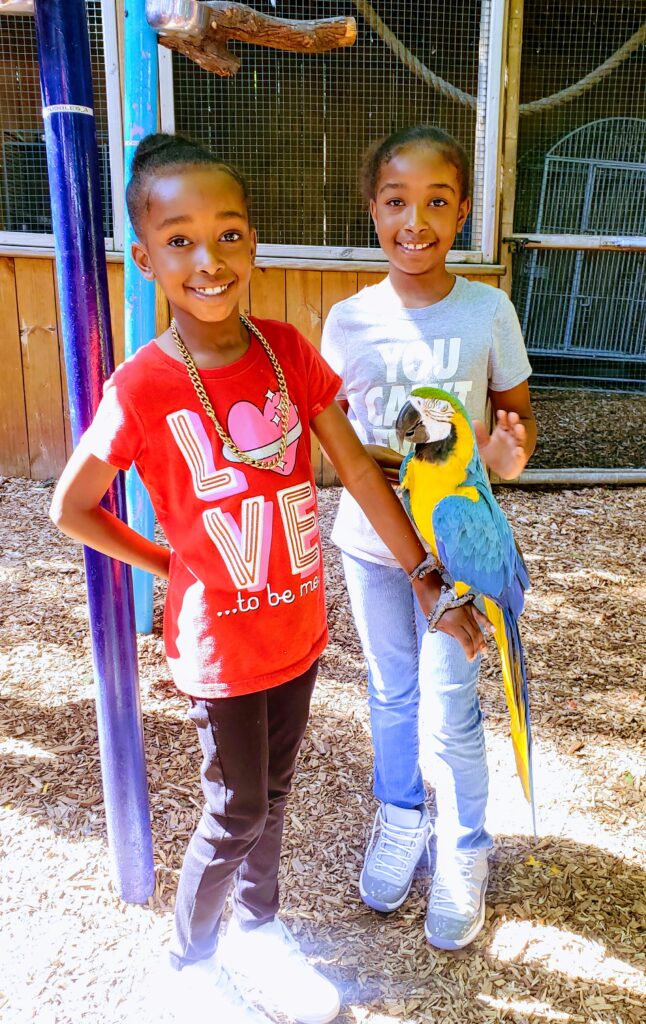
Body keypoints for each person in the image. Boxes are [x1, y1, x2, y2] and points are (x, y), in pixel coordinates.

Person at [50, 133, 489, 1024]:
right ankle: (187, 962)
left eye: (229, 234)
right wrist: (169, 565)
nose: (209, 260)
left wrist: (424, 574)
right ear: (145, 258)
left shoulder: (287, 350)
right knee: (235, 806)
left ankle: (258, 926)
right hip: (221, 644)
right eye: (179, 240)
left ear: (252, 241)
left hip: (295, 625)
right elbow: (74, 506)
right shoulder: (143, 386)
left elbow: (360, 473)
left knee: (273, 795)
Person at [321, 125, 537, 951]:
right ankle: (401, 816)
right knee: (391, 695)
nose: (416, 220)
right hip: (372, 549)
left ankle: (464, 849)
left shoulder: (488, 308)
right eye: (396, 201)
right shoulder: (350, 319)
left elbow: (513, 434)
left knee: (452, 707)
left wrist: (506, 459)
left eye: (437, 202)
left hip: (458, 557)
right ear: (373, 209)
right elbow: (339, 447)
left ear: (463, 211)